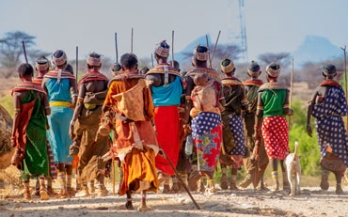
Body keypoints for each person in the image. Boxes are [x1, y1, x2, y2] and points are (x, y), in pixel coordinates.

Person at [103, 53, 159, 211]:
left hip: (123, 127)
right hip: (143, 126)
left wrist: (115, 117)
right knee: (145, 160)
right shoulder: (142, 81)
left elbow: (107, 105)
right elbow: (149, 106)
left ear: (122, 66)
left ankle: (129, 200)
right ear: (136, 65)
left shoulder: (115, 83)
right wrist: (148, 118)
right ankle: (143, 201)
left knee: (126, 161)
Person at [184, 45, 224, 193]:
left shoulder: (190, 77)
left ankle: (198, 179)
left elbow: (187, 102)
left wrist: (185, 122)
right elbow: (223, 103)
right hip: (215, 119)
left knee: (197, 149)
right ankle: (209, 182)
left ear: (194, 59)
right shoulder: (215, 78)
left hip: (198, 119)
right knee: (212, 150)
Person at [69, 52, 110, 197]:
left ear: (88, 65)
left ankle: (84, 187)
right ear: (99, 65)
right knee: (100, 152)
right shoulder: (105, 81)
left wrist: (72, 121)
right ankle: (100, 186)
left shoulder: (84, 81)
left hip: (85, 121)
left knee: (84, 153)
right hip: (101, 122)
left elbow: (79, 103)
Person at [145, 40, 183, 193]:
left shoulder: (151, 74)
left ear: (155, 55)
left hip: (156, 113)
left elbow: (146, 96)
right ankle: (167, 183)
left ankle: (160, 175)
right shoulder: (177, 75)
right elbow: (181, 94)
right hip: (173, 113)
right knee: (171, 145)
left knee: (157, 143)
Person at [10, 63, 51, 200]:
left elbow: (17, 114)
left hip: (24, 130)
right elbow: (48, 111)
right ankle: (43, 187)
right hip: (39, 128)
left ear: (20, 75)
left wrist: (13, 132)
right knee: (41, 155)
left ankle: (27, 191)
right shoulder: (41, 91)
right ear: (32, 75)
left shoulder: (17, 92)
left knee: (25, 156)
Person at [307, 64, 348, 194]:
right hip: (336, 122)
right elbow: (344, 109)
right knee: (339, 151)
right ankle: (338, 186)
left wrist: (307, 124)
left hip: (321, 123)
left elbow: (310, 106)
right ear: (335, 75)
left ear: (323, 74)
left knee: (326, 149)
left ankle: (325, 172)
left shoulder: (319, 88)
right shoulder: (339, 90)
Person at [42, 50, 77, 198]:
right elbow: (75, 98)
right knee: (67, 146)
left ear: (53, 62)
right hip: (68, 112)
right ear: (65, 61)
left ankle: (62, 187)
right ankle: (69, 187)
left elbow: (43, 97)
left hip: (51, 113)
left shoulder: (46, 77)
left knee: (56, 146)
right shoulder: (70, 77)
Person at [253, 62, 292, 191]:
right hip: (281, 121)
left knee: (272, 151)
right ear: (278, 74)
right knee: (284, 148)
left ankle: (276, 184)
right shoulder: (284, 89)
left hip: (268, 122)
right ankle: (286, 181)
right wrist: (291, 111)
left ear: (266, 74)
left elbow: (259, 112)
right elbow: (286, 110)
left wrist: (256, 128)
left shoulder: (262, 89)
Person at [219, 57, 247, 190]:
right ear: (234, 70)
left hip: (221, 118)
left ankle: (223, 174)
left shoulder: (218, 84)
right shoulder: (240, 85)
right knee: (237, 147)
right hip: (235, 119)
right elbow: (245, 105)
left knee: (223, 147)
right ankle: (233, 182)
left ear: (222, 71)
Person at [240, 61, 269, 190]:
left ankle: (250, 173)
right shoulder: (265, 87)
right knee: (261, 147)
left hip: (247, 120)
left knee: (249, 145)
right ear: (260, 73)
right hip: (261, 119)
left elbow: (242, 105)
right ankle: (260, 181)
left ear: (248, 73)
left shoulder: (243, 87)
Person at [32, 56, 58, 197]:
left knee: (38, 152)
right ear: (48, 67)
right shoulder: (50, 80)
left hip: (34, 122)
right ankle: (47, 186)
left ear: (36, 68)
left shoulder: (32, 83)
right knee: (49, 152)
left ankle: (37, 186)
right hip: (47, 120)